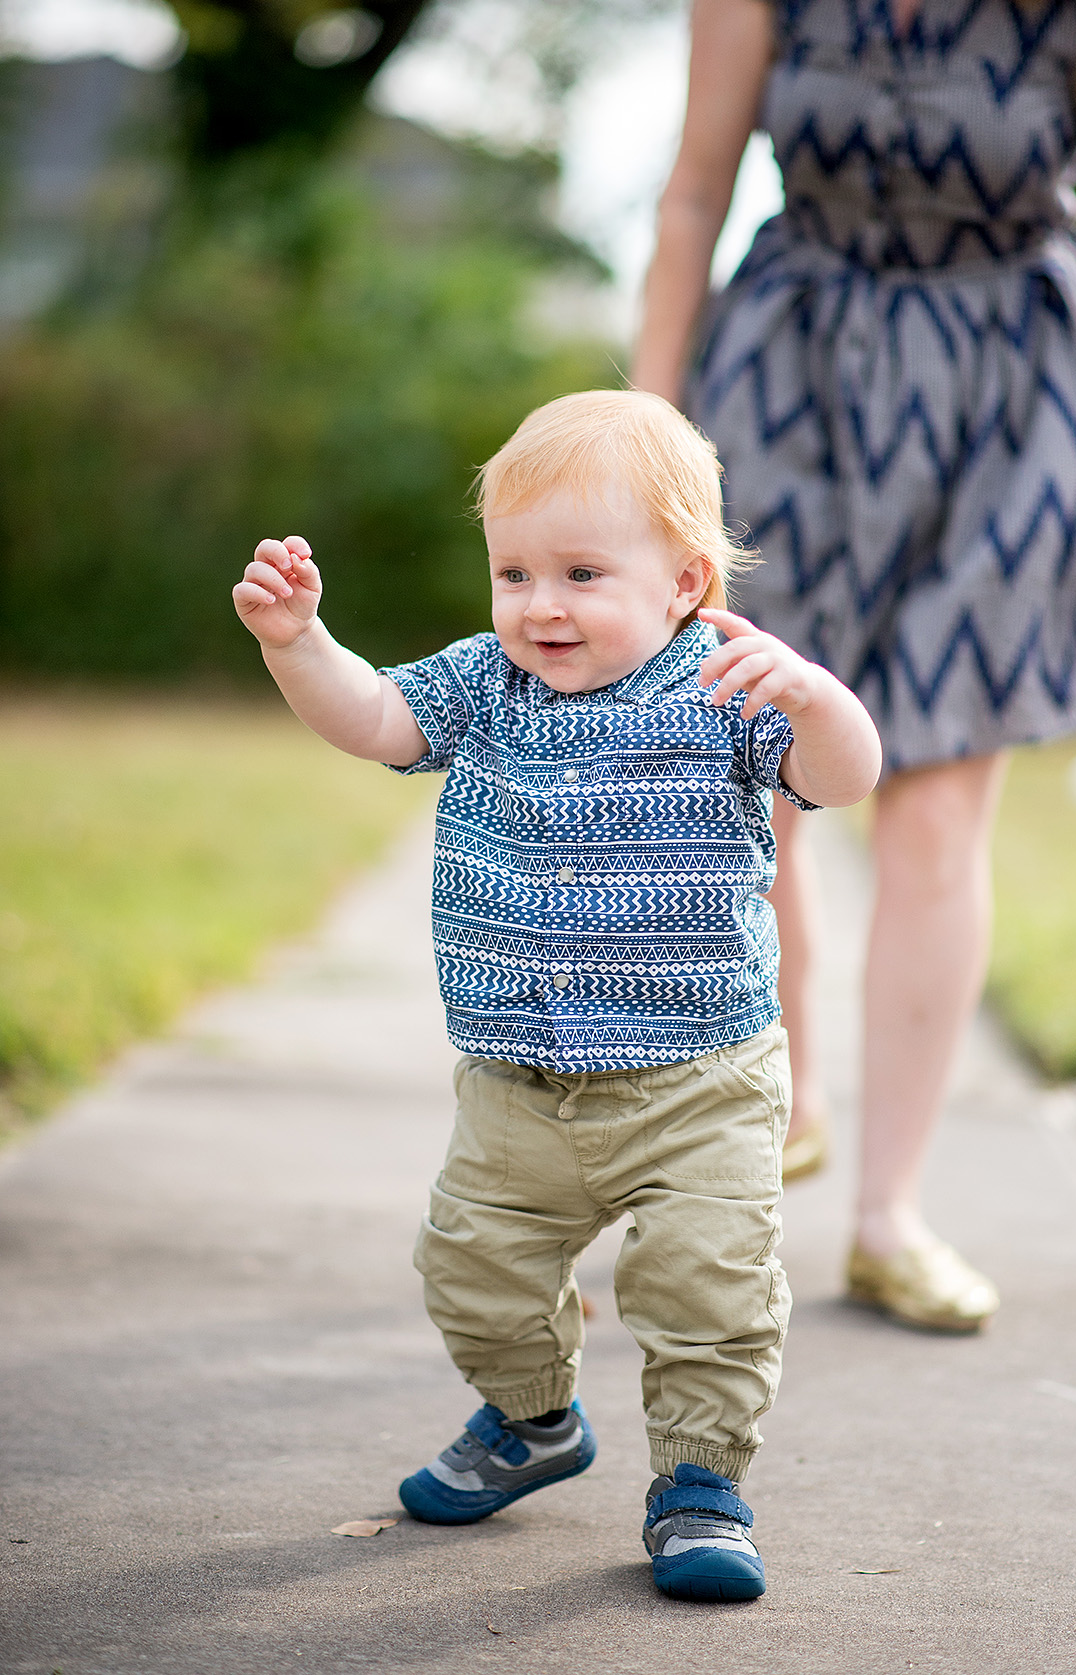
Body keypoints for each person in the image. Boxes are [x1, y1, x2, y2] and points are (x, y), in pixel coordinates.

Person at [632, 0, 1076, 1332]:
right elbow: (695, 185)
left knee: (937, 802)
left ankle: (888, 1213)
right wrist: (643, 433)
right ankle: (782, 1100)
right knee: (740, 771)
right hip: (785, 375)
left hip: (1012, 411)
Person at [232, 388, 880, 1601]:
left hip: (701, 1074)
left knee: (709, 1287)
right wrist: (298, 646)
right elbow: (376, 718)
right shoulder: (485, 682)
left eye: (582, 573)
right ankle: (531, 1421)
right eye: (515, 572)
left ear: (686, 583)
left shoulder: (732, 689)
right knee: (469, 1269)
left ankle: (700, 1486)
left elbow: (840, 779)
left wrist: (816, 698)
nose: (541, 605)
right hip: (518, 1080)